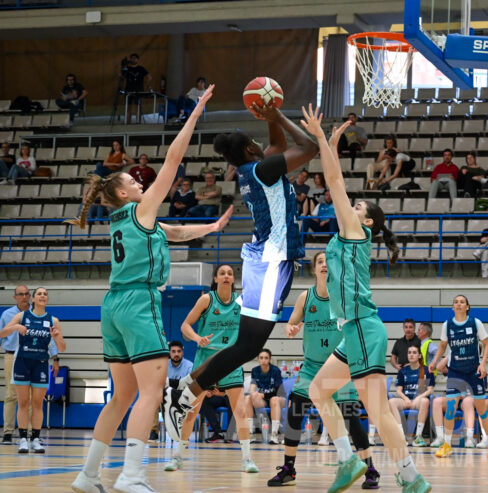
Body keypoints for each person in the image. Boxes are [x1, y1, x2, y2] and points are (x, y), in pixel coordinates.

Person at [68, 85, 234, 493]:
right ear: (123, 193)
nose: (141, 182)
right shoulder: (141, 209)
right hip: (140, 300)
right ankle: (131, 476)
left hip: (113, 305)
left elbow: (173, 231)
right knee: (151, 391)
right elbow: (173, 162)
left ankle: (87, 476)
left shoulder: (132, 220)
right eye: (133, 180)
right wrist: (194, 116)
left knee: (121, 395)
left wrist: (209, 227)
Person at [162, 99, 319, 447]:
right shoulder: (262, 171)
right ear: (251, 149)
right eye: (257, 143)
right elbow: (308, 147)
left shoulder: (256, 170)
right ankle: (184, 394)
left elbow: (277, 146)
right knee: (248, 345)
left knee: (247, 344)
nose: (265, 146)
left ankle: (185, 393)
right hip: (271, 261)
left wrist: (271, 118)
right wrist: (277, 114)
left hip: (269, 261)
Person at [300, 106, 431, 492]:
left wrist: (324, 140)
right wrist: (329, 144)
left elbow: (335, 181)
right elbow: (337, 184)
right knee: (318, 390)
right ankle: (348, 461)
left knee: (376, 408)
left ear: (368, 222)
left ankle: (410, 475)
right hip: (353, 331)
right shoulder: (347, 237)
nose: (350, 206)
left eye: (358, 207)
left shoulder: (357, 234)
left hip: (361, 328)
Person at [268, 251, 380, 488]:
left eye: (328, 262)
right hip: (311, 367)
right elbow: (292, 320)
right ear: (314, 268)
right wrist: (291, 328)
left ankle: (369, 468)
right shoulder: (305, 297)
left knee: (350, 417)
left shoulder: (344, 296)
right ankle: (289, 468)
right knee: (295, 411)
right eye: (320, 262)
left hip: (338, 366)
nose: (324, 265)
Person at [164, 264, 258, 473]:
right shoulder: (206, 299)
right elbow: (185, 326)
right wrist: (198, 338)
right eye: (222, 273)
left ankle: (247, 459)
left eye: (230, 273)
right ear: (215, 278)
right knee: (190, 413)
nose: (226, 276)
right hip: (205, 360)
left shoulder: (241, 302)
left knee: (240, 411)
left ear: (234, 279)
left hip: (231, 360)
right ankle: (177, 456)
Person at [429, 295, 488, 460]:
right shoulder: (447, 325)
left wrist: (483, 364)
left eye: (462, 302)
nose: (458, 304)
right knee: (451, 409)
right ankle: (446, 445)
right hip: (455, 371)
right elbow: (442, 346)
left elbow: (486, 344)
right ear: (452, 307)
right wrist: (434, 362)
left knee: (481, 409)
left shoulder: (475, 323)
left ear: (467, 307)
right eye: (455, 302)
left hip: (474, 370)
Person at [0, 288, 66, 454]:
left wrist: (57, 337)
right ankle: (22, 439)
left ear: (47, 299)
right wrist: (16, 327)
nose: (43, 296)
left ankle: (35, 439)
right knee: (22, 402)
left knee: (37, 403)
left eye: (45, 294)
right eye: (39, 294)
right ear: (34, 299)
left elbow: (63, 348)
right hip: (22, 362)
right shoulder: (22, 316)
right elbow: (2, 333)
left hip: (41, 364)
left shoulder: (53, 320)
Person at [389, 346, 435, 447]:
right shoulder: (403, 371)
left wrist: (418, 397)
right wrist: (406, 399)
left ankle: (418, 436)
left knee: (425, 401)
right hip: (406, 401)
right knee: (391, 402)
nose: (411, 355)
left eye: (414, 352)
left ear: (419, 356)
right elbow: (399, 390)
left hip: (418, 401)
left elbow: (430, 390)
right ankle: (401, 435)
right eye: (409, 352)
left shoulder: (427, 370)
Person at [150, 340, 194, 442]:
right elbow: (158, 383)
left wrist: (169, 383)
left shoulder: (189, 366)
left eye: (179, 351)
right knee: (153, 399)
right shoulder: (163, 365)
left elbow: (190, 385)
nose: (176, 354)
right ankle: (154, 432)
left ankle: (182, 433)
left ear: (182, 352)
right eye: (173, 351)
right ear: (169, 353)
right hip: (164, 396)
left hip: (182, 396)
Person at [246, 349, 285, 444]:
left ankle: (274, 435)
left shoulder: (275, 370)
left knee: (274, 399)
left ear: (270, 360)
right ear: (258, 359)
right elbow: (253, 386)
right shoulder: (255, 370)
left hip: (279, 398)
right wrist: (253, 393)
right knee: (247, 398)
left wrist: (263, 394)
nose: (263, 360)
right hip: (263, 399)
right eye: (261, 358)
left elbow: (278, 391)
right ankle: (250, 434)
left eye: (266, 358)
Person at [122, 53, 152, 124]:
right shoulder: (127, 69)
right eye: (132, 58)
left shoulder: (141, 69)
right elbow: (122, 76)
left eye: (135, 58)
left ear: (137, 60)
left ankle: (138, 121)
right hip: (129, 90)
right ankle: (127, 122)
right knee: (128, 107)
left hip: (138, 90)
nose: (133, 59)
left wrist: (146, 84)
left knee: (137, 106)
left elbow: (149, 77)